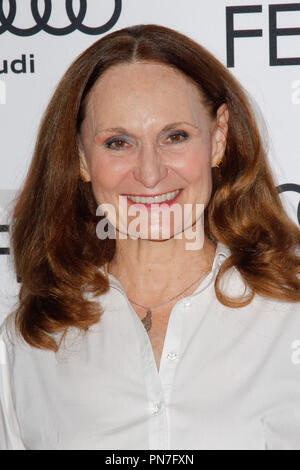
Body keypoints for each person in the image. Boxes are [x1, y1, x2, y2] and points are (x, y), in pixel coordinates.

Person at [0, 23, 300, 451]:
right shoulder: (31, 343)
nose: (150, 172)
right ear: (81, 158)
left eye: (175, 136)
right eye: (118, 143)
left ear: (218, 139)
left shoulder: (291, 312)